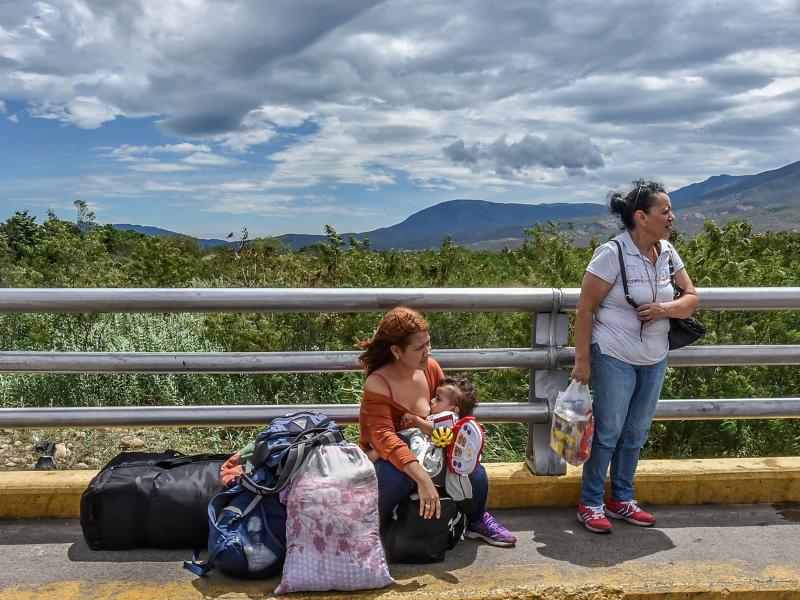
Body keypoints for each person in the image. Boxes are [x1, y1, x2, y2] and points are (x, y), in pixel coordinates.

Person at [571, 180, 699, 534]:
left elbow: (691, 298)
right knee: (609, 430)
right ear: (641, 217)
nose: (672, 217)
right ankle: (591, 502)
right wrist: (582, 361)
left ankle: (622, 498)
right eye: (665, 211)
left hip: (655, 355)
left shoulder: (667, 251)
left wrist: (663, 309)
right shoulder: (612, 253)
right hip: (614, 353)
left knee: (637, 430)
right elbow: (585, 309)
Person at [357, 307, 517, 547]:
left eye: (428, 344)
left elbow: (448, 413)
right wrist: (422, 478)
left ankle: (476, 520)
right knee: (392, 477)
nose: (428, 353)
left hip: (431, 452)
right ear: (396, 351)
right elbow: (384, 438)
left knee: (474, 473)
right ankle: (371, 530)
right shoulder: (378, 383)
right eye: (419, 348)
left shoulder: (430, 368)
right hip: (393, 459)